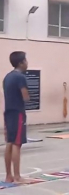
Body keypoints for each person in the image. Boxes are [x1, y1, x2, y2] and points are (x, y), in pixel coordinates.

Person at [4, 51, 30, 183]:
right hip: (18, 113)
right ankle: (18, 176)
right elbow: (25, 96)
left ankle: (9, 175)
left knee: (9, 142)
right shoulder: (20, 77)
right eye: (25, 60)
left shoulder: (7, 77)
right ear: (20, 63)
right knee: (17, 144)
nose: (27, 62)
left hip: (8, 112)